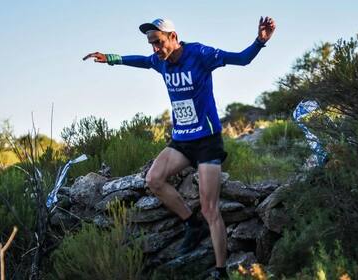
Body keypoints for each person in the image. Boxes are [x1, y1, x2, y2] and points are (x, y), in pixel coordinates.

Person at [83, 16, 276, 279]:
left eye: (159, 42)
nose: (155, 49)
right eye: (151, 44)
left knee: (210, 208)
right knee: (153, 179)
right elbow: (139, 61)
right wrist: (110, 58)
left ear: (173, 37)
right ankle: (190, 224)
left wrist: (259, 42)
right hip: (182, 141)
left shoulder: (200, 54)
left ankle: (220, 271)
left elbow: (241, 59)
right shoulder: (158, 61)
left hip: (207, 141)